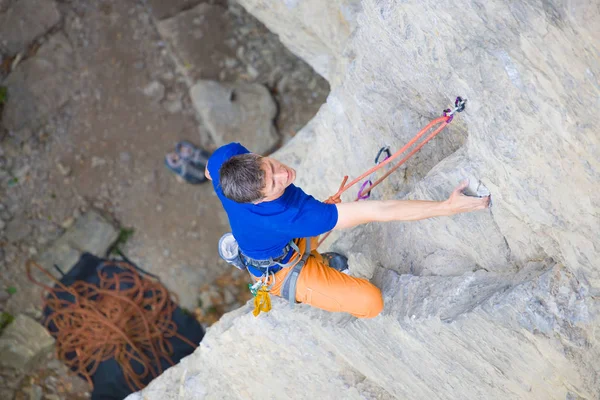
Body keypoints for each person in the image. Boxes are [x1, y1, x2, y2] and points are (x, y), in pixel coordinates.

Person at [206, 142, 490, 319]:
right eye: (274, 185)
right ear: (259, 199)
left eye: (270, 166)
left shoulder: (226, 163)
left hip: (278, 237)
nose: (284, 175)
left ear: (252, 156)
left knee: (309, 228)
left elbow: (210, 169)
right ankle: (313, 263)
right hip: (279, 269)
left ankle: (285, 252)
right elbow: (380, 212)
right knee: (371, 303)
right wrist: (446, 207)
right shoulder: (294, 216)